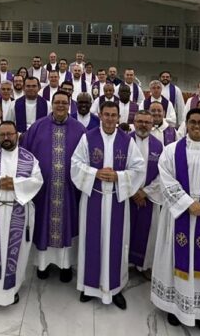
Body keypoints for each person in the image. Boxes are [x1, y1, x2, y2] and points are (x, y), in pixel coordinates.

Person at [150, 108, 200, 332]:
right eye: (192, 122)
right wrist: (188, 203)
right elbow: (166, 179)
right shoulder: (171, 151)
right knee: (175, 259)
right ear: (185, 124)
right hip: (179, 214)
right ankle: (175, 307)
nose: (196, 126)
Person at [72, 101, 145, 309]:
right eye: (106, 115)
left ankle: (115, 288)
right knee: (91, 242)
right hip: (93, 199)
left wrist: (118, 177)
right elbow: (75, 164)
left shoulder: (127, 141)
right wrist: (95, 173)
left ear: (119, 118)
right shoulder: (88, 138)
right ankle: (89, 287)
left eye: (114, 115)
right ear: (100, 115)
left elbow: (139, 169)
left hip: (116, 200)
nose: (110, 119)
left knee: (116, 245)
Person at [0, 120, 43, 306]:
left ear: (16, 135)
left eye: (10, 134)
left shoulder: (29, 158)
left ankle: (13, 289)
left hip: (17, 210)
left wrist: (14, 184)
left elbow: (37, 180)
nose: (6, 137)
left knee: (17, 253)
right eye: (2, 134)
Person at [21, 92, 86, 282]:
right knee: (43, 225)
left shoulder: (79, 129)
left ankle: (66, 265)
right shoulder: (37, 127)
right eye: (57, 102)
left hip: (69, 190)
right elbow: (25, 155)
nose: (60, 105)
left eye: (64, 103)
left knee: (68, 225)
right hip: (43, 190)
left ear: (69, 105)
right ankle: (43, 265)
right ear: (52, 104)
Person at [128, 110, 163, 280]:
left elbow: (163, 173)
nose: (143, 125)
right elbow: (119, 168)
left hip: (149, 197)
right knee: (125, 231)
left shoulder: (159, 146)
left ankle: (145, 265)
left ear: (152, 124)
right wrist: (133, 191)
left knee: (149, 233)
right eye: (140, 121)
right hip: (127, 197)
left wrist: (145, 192)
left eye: (147, 122)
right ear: (134, 122)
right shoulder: (124, 141)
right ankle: (124, 265)